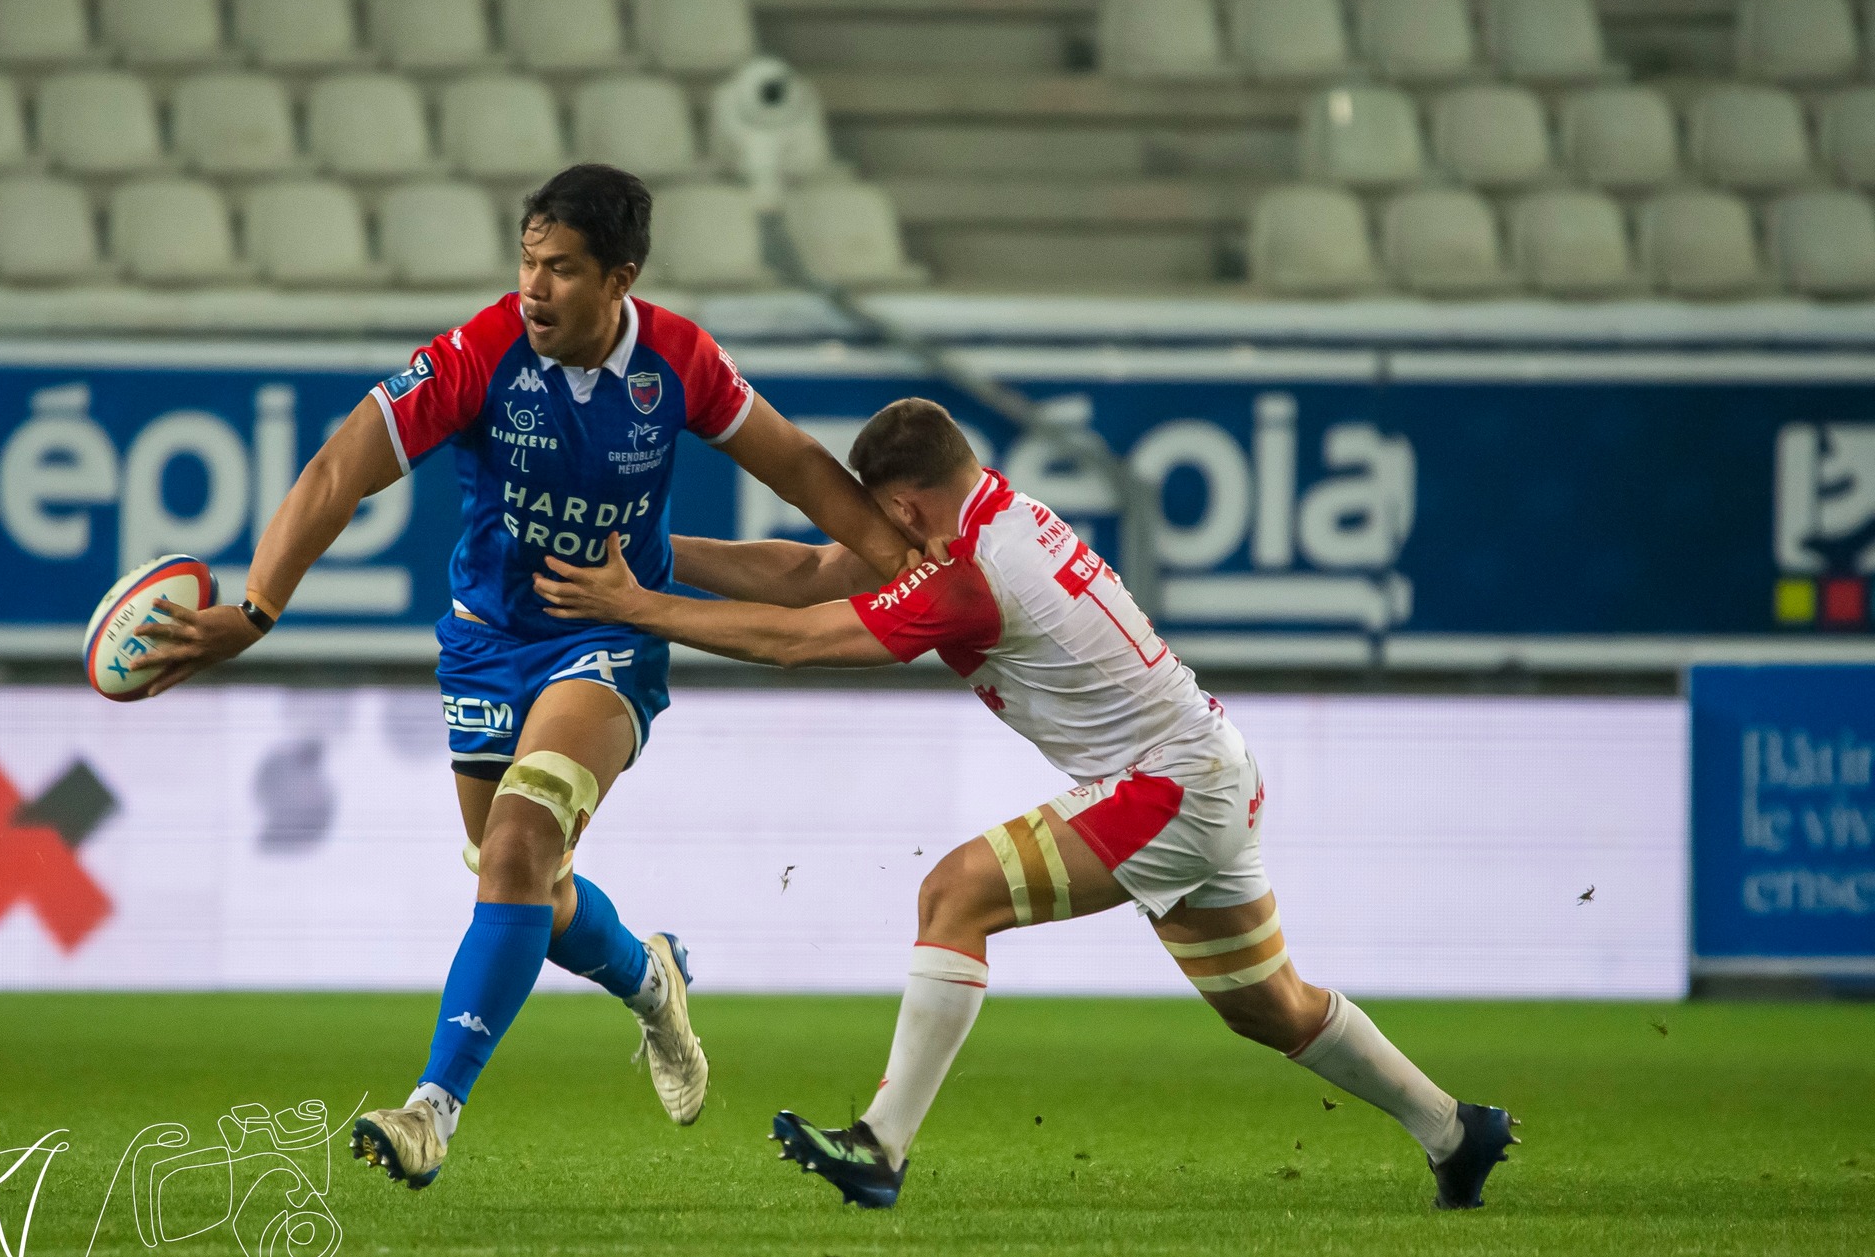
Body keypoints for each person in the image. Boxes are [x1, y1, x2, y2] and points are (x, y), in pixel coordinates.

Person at [131, 165, 915, 1190]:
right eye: (527, 261)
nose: (534, 288)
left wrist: (903, 561)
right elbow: (339, 469)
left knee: (517, 843)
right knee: (527, 884)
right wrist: (256, 608)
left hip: (608, 633)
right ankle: (650, 978)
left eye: (562, 269)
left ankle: (430, 1109)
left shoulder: (678, 363)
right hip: (485, 642)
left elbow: (801, 465)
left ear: (620, 279)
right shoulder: (479, 354)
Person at [533, 396, 1517, 1212]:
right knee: (1271, 1006)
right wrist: (653, 553)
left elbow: (798, 639)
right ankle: (1454, 1131)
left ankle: (879, 1146)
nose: (867, 535)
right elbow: (810, 571)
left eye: (875, 517)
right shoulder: (990, 513)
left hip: (1168, 782)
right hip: (1209, 765)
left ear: (903, 505)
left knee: (954, 893)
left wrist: (636, 607)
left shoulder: (970, 577)